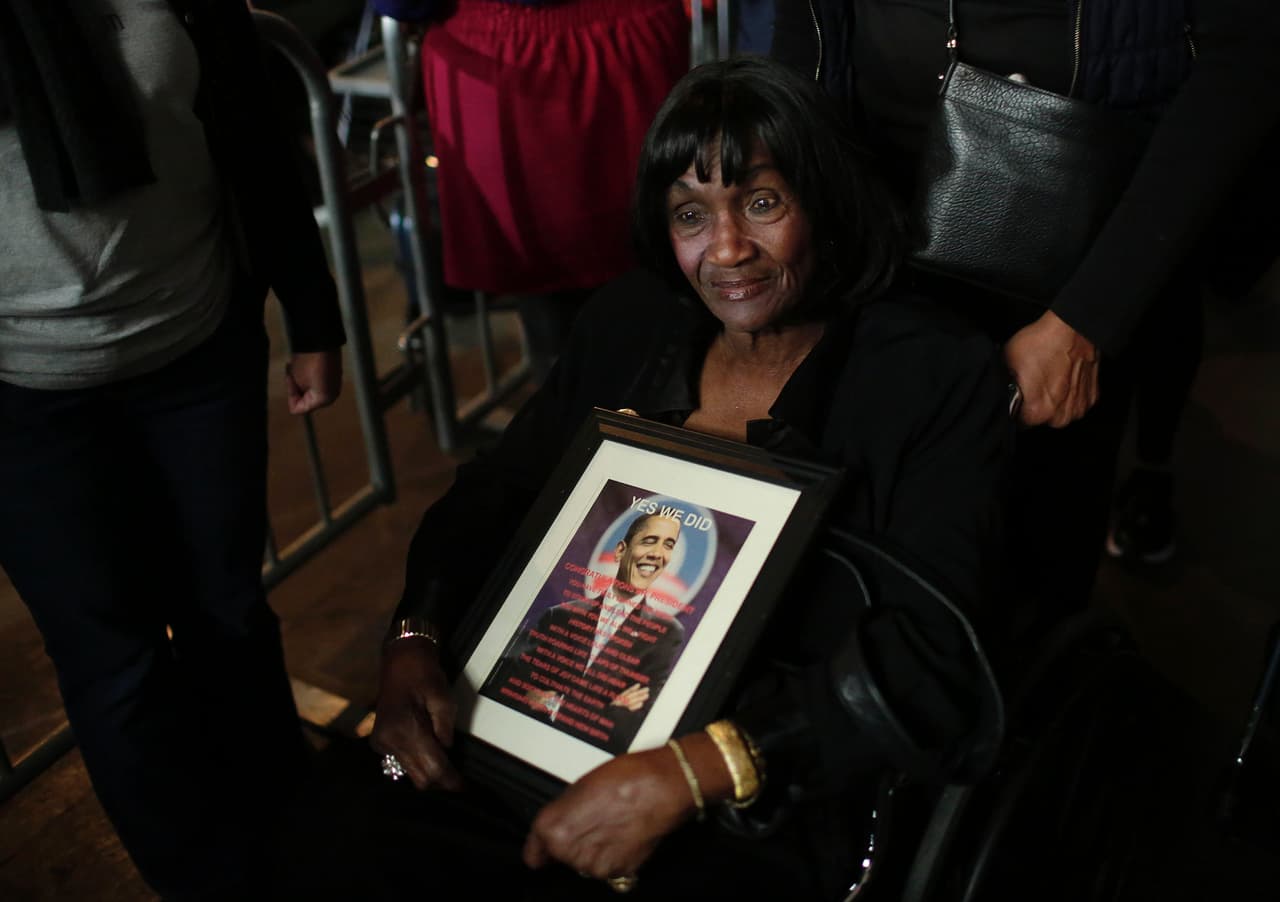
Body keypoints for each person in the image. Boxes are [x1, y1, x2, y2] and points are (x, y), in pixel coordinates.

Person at [365, 56, 1012, 900]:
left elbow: (935, 655)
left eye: (763, 201)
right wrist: (416, 636)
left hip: (772, 782)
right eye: (690, 214)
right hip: (551, 730)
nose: (729, 249)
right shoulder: (629, 322)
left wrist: (697, 769)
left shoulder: (929, 373)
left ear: (823, 199)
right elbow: (496, 491)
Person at [772, 0, 1280, 622]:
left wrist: (1089, 318)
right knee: (868, 540)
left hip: (1064, 246)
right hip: (864, 209)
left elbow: (1248, 57)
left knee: (1032, 565)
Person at [0, 1, 345, 897]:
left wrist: (315, 315)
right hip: (21, 398)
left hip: (195, 349)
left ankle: (295, 845)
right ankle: (206, 882)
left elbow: (252, 135)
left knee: (227, 611)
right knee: (114, 665)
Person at [371, 0, 690, 379]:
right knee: (657, 276)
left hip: (505, 57)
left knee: (558, 318)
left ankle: (580, 422)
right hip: (632, 43)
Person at [485, 512, 686, 754]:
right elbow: (510, 686)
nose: (657, 554)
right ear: (621, 550)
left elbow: (629, 729)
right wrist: (608, 709)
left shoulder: (667, 633)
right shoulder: (559, 615)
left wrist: (554, 705)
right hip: (520, 744)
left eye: (668, 545)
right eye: (649, 541)